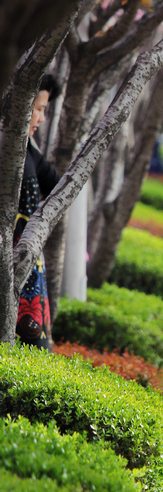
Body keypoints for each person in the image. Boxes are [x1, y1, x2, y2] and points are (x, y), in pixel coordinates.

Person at [15, 74, 61, 349]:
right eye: (39, 109)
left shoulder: (28, 150)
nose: (41, 119)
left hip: (29, 263)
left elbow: (56, 184)